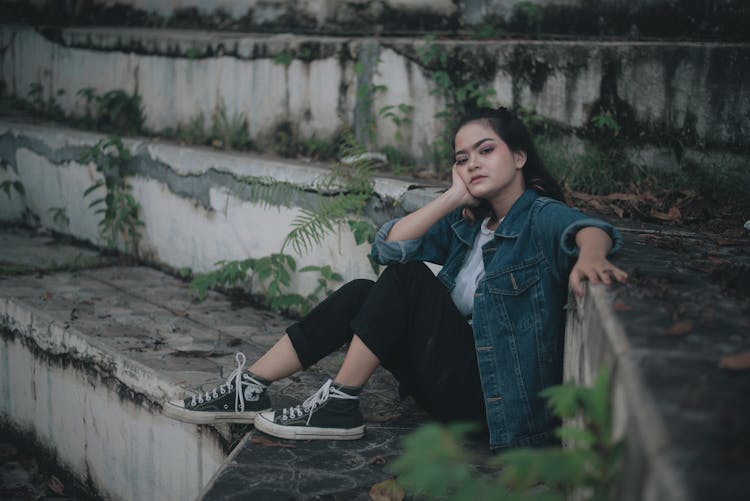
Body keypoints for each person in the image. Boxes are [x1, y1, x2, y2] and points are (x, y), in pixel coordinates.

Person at [163, 106, 628, 450]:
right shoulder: (470, 224)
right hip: (449, 380)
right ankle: (250, 389)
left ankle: (340, 403)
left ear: (520, 156)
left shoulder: (537, 216)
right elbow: (386, 248)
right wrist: (451, 198)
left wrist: (589, 256)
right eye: (462, 158)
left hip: (493, 406)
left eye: (486, 151)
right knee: (365, 290)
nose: (473, 165)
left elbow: (586, 229)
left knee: (407, 279)